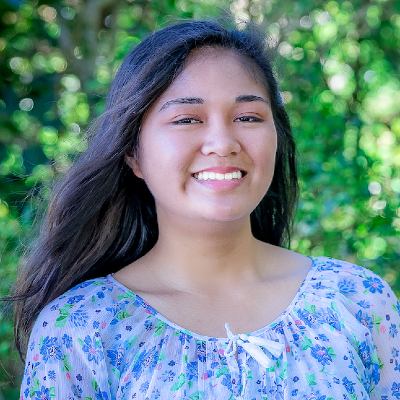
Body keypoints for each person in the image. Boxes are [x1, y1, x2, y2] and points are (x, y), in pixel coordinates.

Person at [10, 20, 399, 399]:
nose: (223, 142)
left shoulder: (358, 301)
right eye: (186, 119)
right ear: (133, 154)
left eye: (247, 117)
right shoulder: (81, 328)